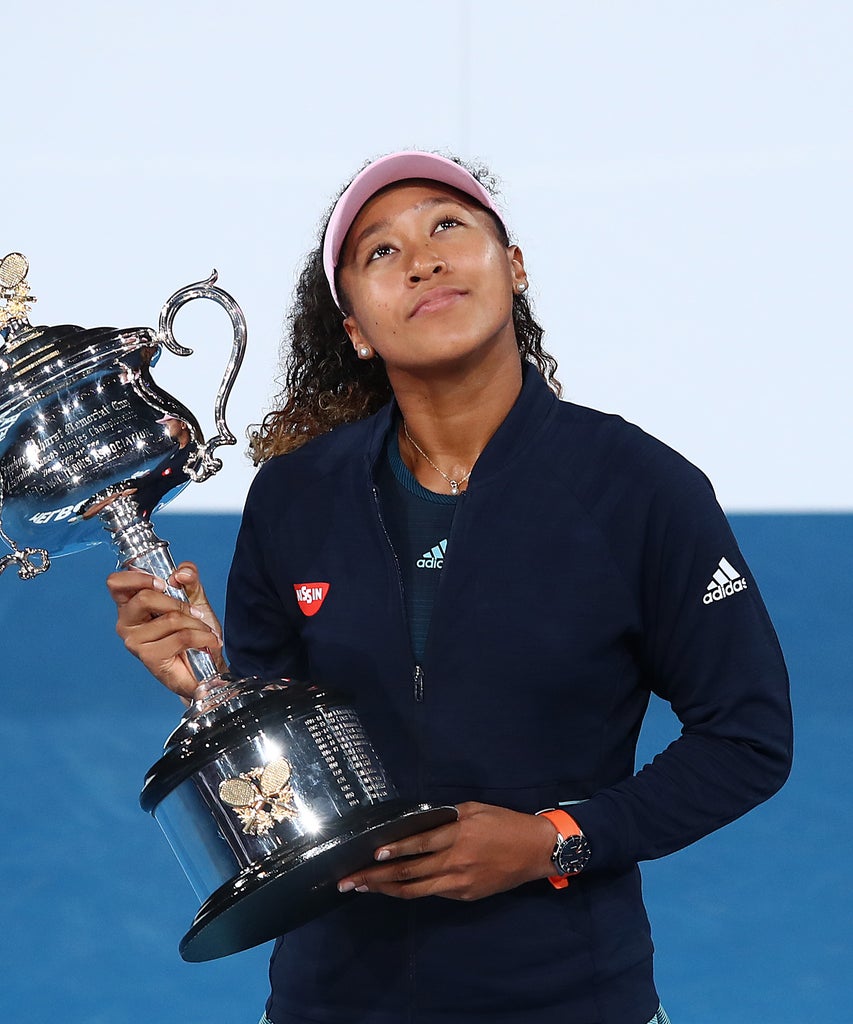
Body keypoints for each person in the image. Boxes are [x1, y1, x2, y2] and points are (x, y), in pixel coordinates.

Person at [107, 151, 793, 1024]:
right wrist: (214, 684)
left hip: (571, 999)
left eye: (446, 225)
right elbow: (290, 769)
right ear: (354, 325)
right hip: (331, 1001)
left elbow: (747, 737)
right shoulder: (293, 498)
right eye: (380, 252)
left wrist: (555, 841)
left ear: (512, 267)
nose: (422, 258)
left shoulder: (641, 488)